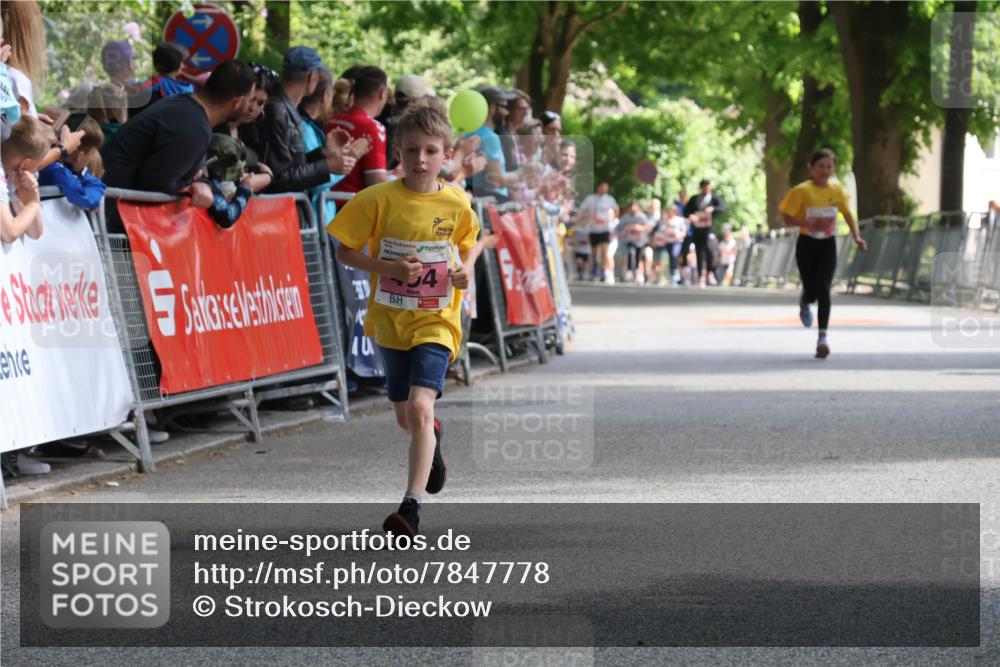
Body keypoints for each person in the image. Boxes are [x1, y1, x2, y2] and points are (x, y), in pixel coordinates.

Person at [327, 106, 495, 537]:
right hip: (391, 321)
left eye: (431, 151)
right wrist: (387, 267)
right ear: (397, 152)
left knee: (420, 406)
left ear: (447, 154)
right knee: (408, 417)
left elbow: (468, 245)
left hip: (437, 321)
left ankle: (410, 508)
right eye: (412, 150)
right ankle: (432, 436)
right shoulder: (377, 199)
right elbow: (344, 251)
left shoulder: (457, 201)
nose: (421, 159)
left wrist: (463, 271)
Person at [102, 59, 256, 209]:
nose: (250, 107)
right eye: (250, 100)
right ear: (237, 102)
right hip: (110, 211)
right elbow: (153, 185)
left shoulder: (183, 106)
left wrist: (198, 181)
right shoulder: (195, 128)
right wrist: (190, 185)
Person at [779, 148, 867, 359]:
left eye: (829, 166)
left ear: (833, 168)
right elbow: (786, 217)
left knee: (824, 289)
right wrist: (807, 222)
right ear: (811, 167)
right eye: (821, 166)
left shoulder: (837, 192)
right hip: (807, 243)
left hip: (827, 244)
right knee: (811, 290)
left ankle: (823, 337)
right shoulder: (802, 191)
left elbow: (847, 215)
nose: (825, 170)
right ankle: (804, 300)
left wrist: (857, 237)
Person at [257, 47, 359, 194]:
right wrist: (328, 166)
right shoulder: (278, 110)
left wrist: (323, 152)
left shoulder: (285, 109)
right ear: (312, 77)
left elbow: (293, 165)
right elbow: (280, 177)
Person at [327, 65, 390, 195]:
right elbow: (377, 182)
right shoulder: (373, 127)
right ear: (382, 93)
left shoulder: (331, 119)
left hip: (322, 205)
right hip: (353, 206)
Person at [38, 117, 106, 209]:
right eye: (92, 154)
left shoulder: (78, 171)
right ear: (80, 156)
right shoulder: (55, 170)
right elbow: (82, 198)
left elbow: (94, 183)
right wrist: (94, 200)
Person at [1, 114, 46, 243]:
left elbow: (35, 232)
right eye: (37, 164)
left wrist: (23, 194)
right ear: (24, 163)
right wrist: (32, 203)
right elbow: (9, 233)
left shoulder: (10, 176)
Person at [129, 42, 195, 115]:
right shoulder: (189, 87)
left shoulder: (159, 81)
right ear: (180, 66)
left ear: (158, 65)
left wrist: (125, 86)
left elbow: (139, 88)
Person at [683, 178, 726, 286]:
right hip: (697, 230)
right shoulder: (694, 199)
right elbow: (686, 212)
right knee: (699, 252)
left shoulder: (714, 198)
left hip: (709, 230)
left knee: (710, 250)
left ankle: (710, 272)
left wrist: (713, 209)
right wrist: (691, 216)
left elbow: (722, 207)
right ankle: (700, 275)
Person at [578, 181, 618, 281]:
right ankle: (595, 267)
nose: (605, 189)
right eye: (603, 187)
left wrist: (613, 218)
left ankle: (604, 270)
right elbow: (582, 209)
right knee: (594, 252)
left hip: (605, 229)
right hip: (593, 229)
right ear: (598, 188)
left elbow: (616, 208)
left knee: (605, 250)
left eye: (606, 188)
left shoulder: (609, 199)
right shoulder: (590, 198)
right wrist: (583, 219)